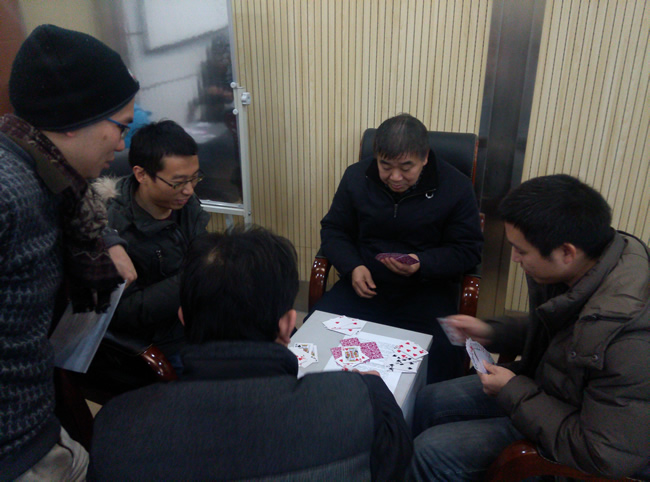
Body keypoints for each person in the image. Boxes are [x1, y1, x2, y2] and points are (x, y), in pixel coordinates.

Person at [88, 226, 413, 481]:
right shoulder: (362, 400)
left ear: (183, 317)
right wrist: (369, 392)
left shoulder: (115, 427)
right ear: (288, 324)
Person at [409, 174, 650, 481]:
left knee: (430, 451)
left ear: (566, 252)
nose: (514, 258)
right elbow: (565, 336)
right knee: (430, 400)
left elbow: (602, 454)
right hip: (548, 391)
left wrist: (512, 390)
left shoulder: (631, 339)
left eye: (521, 251)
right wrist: (493, 332)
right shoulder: (589, 263)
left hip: (574, 437)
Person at [0, 24, 139, 480]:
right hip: (16, 449)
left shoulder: (36, 170)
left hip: (37, 420)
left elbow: (77, 206)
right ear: (72, 121)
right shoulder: (10, 191)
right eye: (120, 126)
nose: (122, 143)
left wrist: (108, 241)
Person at [311, 113, 484, 382]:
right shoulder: (356, 176)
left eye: (406, 167)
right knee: (316, 341)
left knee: (442, 359)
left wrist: (422, 263)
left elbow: (468, 249)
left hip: (426, 291)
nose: (395, 177)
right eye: (385, 166)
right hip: (363, 287)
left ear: (424, 157)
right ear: (376, 157)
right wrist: (353, 266)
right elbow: (334, 230)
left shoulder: (456, 186)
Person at [98, 120, 210, 366]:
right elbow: (123, 313)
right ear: (141, 174)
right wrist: (196, 277)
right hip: (163, 342)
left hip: (199, 316)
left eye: (194, 178)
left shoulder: (184, 203)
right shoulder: (112, 231)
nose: (189, 190)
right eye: (178, 182)